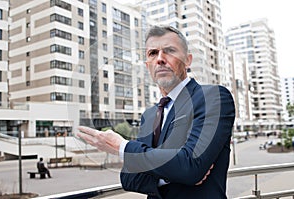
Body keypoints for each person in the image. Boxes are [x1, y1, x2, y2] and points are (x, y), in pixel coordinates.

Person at [77, 25, 235, 198]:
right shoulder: (149, 115)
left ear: (188, 60)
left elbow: (191, 166)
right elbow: (129, 179)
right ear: (147, 65)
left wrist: (123, 147)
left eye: (169, 51)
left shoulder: (213, 97)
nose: (160, 59)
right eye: (153, 53)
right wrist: (173, 173)